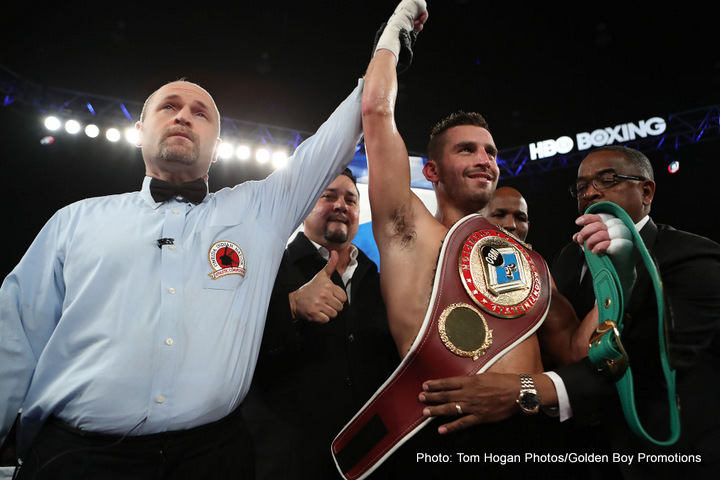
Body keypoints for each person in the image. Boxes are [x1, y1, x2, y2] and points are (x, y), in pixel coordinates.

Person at [0, 43, 368, 478]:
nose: (182, 116)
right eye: (169, 106)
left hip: (213, 457)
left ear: (216, 147)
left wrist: (390, 45)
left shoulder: (255, 212)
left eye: (200, 113)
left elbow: (336, 138)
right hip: (76, 459)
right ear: (139, 131)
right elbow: (14, 339)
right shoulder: (74, 221)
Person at [336, 2, 597, 477]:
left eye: (492, 151)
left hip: (538, 441)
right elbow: (375, 111)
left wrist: (623, 268)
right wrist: (395, 34)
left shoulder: (532, 264)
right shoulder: (408, 229)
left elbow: (579, 354)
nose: (485, 158)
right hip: (444, 445)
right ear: (431, 170)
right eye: (467, 149)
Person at [549, 146, 720, 479]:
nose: (592, 192)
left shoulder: (693, 255)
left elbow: (657, 357)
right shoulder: (569, 259)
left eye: (608, 179)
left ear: (646, 191)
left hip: (679, 456)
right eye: (581, 187)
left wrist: (537, 388)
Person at [242, 169, 398, 479]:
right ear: (303, 208)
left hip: (368, 460)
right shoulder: (264, 269)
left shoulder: (381, 283)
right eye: (328, 196)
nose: (341, 205)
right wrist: (292, 308)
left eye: (350, 199)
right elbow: (234, 350)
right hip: (290, 461)